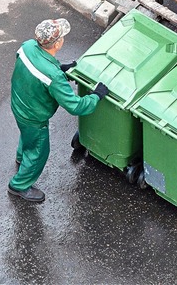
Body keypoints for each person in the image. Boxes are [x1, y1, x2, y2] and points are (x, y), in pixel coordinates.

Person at [8, 18, 109, 202]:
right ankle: (19, 185)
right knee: (39, 152)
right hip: (34, 117)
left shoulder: (27, 46)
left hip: (18, 103)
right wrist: (97, 96)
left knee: (27, 136)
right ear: (57, 43)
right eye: (62, 36)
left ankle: (21, 158)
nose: (64, 38)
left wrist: (60, 69)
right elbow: (75, 106)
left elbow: (35, 69)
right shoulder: (53, 77)